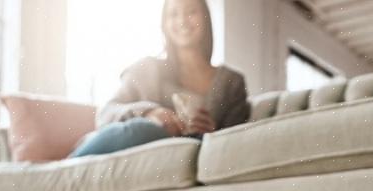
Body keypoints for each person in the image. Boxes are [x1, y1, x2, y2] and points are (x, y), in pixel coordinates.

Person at [70, 0, 250, 158]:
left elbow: (235, 144)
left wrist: (213, 134)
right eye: (173, 14)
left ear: (206, 17)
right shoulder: (147, 69)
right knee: (146, 129)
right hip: (127, 148)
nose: (182, 21)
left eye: (191, 12)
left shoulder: (231, 82)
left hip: (182, 159)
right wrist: (149, 113)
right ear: (164, 24)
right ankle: (66, 168)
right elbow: (105, 114)